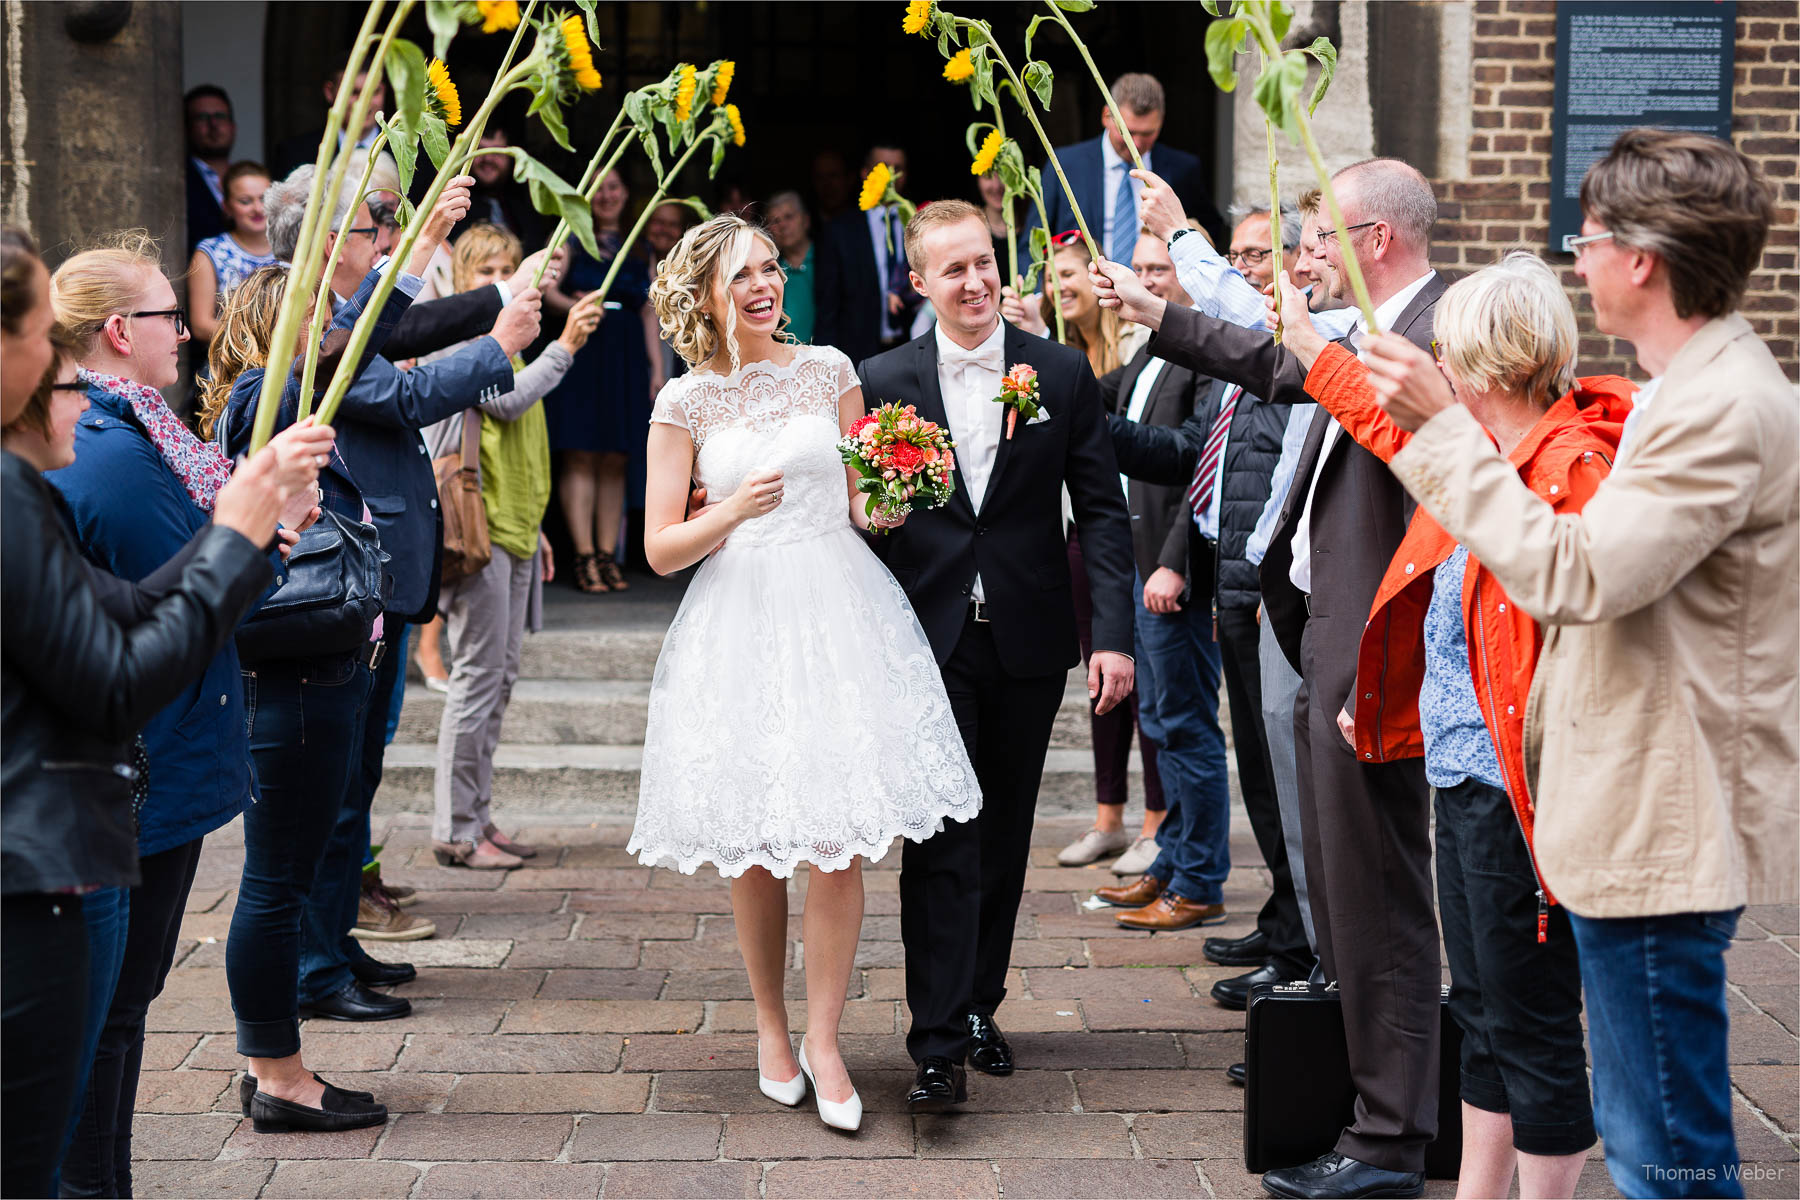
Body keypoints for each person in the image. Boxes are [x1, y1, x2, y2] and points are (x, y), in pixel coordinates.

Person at [1365, 129, 1795, 1200]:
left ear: (1641, 258)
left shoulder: (1719, 409)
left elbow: (1575, 576)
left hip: (1660, 817)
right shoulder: (1681, 393)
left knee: (1667, 1158)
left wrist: (1439, 434)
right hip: (1621, 805)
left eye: (1588, 236)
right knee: (1649, 1129)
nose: (1578, 257)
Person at [1092, 157, 1447, 1199]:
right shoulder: (1364, 333)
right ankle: (1362, 1107)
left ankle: (1390, 1142)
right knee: (1342, 898)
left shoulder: (1429, 338)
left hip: (1371, 653)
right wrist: (1160, 310)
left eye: (1316, 243)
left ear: (1375, 239)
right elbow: (1272, 359)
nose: (1301, 262)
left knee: (1380, 903)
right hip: (1322, 635)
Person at [1275, 251, 1629, 1197]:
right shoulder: (1481, 452)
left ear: (1483, 362)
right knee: (1478, 1004)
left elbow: (1584, 624)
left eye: (1446, 353)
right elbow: (1441, 603)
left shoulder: (1566, 466)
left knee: (1533, 1018)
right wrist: (1312, 349)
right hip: (1468, 774)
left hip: (1529, 791)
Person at [634, 214, 982, 1135]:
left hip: (841, 609)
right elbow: (661, 546)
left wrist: (899, 480)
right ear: (708, 293)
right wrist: (734, 510)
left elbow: (869, 506)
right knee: (756, 844)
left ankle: (826, 1041)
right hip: (742, 615)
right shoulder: (685, 403)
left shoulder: (832, 369)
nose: (764, 285)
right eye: (744, 274)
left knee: (839, 841)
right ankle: (770, 1028)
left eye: (771, 269)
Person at [1, 228, 329, 1199]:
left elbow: (129, 604)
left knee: (101, 1048)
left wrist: (249, 534)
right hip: (48, 853)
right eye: (51, 361)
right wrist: (240, 539)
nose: (72, 387)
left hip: (72, 836)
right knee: (63, 1109)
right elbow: (113, 672)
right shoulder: (56, 472)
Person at [248, 169, 544, 1025]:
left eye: (388, 219)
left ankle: (335, 941)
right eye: (375, 219)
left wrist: (489, 298)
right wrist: (500, 338)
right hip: (337, 592)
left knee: (358, 779)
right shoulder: (311, 336)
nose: (385, 230)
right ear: (324, 242)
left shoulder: (350, 320)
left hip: (374, 589)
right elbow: (399, 387)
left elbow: (406, 323)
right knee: (328, 790)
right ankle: (313, 965)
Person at [858, 200, 1135, 1109]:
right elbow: (864, 526)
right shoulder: (883, 378)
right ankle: (933, 1044)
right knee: (939, 836)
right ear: (919, 283)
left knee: (1006, 835)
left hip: (1027, 638)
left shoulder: (1057, 370)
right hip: (926, 639)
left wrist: (1115, 641)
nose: (975, 283)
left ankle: (980, 1004)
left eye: (983, 264)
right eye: (954, 271)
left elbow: (1100, 511)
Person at [427, 225, 603, 869]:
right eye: (486, 271)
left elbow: (514, 448)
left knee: (497, 681)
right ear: (464, 282)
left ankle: (477, 819)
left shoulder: (512, 344)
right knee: (477, 681)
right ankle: (456, 831)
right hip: (480, 534)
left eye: (510, 266)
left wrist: (538, 527)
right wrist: (566, 346)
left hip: (514, 527)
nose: (502, 280)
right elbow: (507, 405)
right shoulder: (470, 342)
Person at [1003, 233, 1158, 869]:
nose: (1061, 288)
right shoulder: (1059, 351)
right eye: (1053, 279)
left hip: (1141, 529)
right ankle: (1107, 817)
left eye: (1072, 277)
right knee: (1101, 678)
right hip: (1077, 532)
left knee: (1145, 683)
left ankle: (1156, 823)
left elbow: (1093, 419)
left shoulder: (1140, 348)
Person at [1079, 229, 1225, 905]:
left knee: (1189, 727)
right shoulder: (1151, 356)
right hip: (1139, 568)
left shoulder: (1208, 359)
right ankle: (1170, 859)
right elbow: (1087, 392)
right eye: (1138, 268)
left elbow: (1201, 463)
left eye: (1159, 268)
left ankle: (1199, 879)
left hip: (1172, 575)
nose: (1147, 279)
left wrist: (1174, 565)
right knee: (1161, 723)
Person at [544, 169, 663, 594]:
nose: (608, 195)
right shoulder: (572, 238)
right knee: (581, 454)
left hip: (626, 354)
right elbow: (547, 290)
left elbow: (649, 311)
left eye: (615, 186)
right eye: (600, 188)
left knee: (616, 456)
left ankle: (608, 556)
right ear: (588, 196)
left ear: (626, 193)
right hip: (585, 349)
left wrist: (657, 370)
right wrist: (574, 305)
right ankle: (583, 556)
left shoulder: (641, 246)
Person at [1024, 73, 1227, 261]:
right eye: (1128, 132)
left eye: (1147, 133)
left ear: (1161, 121)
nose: (1137, 144)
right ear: (1106, 116)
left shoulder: (1183, 169)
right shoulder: (1065, 164)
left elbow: (1210, 232)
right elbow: (1033, 240)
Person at [815, 145, 918, 365]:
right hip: (858, 353)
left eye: (897, 169)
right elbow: (828, 307)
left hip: (911, 347)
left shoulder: (916, 221)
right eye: (884, 169)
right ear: (865, 174)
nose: (890, 178)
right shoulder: (840, 231)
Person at [188, 162, 277, 348]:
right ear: (227, 207)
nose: (258, 208)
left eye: (264, 198)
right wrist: (256, 341)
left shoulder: (292, 248)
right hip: (230, 365)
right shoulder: (210, 252)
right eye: (245, 201)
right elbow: (201, 325)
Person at [271, 67, 390, 180]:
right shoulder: (296, 153)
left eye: (374, 92)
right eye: (354, 92)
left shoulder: (405, 151)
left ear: (384, 91)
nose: (364, 103)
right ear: (329, 92)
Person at [456, 126, 543, 247]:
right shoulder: (455, 204)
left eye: (497, 152)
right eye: (480, 150)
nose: (488, 158)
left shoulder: (523, 206)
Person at [184, 85, 236, 251]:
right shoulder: (180, 180)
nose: (213, 124)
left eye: (220, 116)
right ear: (186, 128)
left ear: (233, 126)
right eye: (202, 117)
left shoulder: (247, 176)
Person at [763, 191, 815, 343]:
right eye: (775, 221)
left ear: (805, 220)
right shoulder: (769, 270)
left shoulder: (829, 261)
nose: (783, 225)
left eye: (789, 217)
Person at [810, 148, 855, 224]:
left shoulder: (866, 222)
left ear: (850, 179)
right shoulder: (806, 225)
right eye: (820, 177)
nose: (827, 184)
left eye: (833, 176)